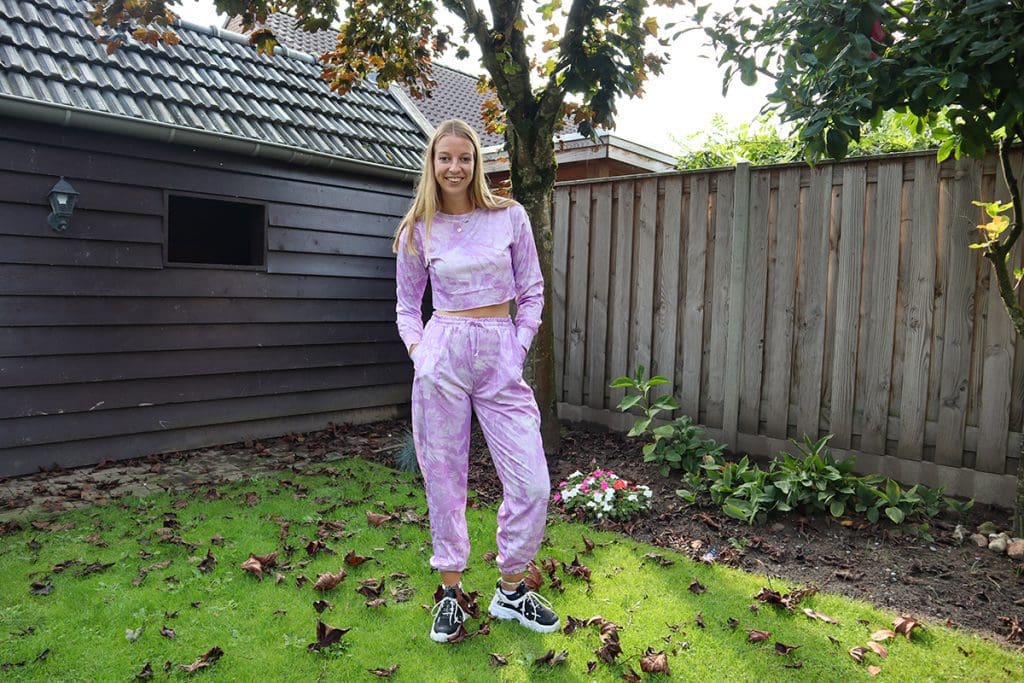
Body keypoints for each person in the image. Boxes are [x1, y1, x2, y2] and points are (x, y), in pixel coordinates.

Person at [393, 119, 560, 643]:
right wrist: (421, 354)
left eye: (464, 158)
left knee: (532, 484)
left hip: (498, 353)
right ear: (432, 162)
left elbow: (532, 291)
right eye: (445, 157)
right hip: (442, 353)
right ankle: (450, 592)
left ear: (476, 163)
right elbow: (406, 307)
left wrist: (517, 347)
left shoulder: (509, 216)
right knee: (444, 478)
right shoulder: (418, 228)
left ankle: (511, 588)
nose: (455, 167)